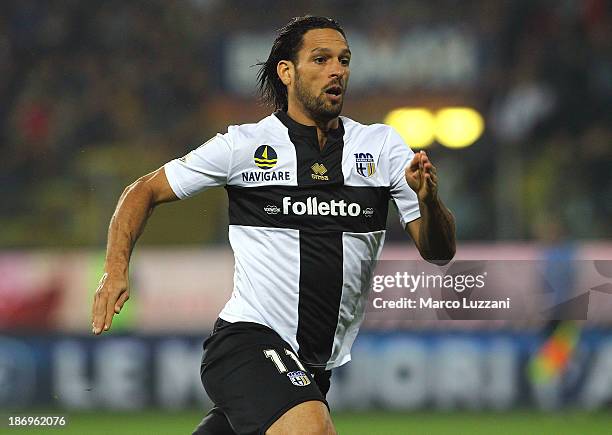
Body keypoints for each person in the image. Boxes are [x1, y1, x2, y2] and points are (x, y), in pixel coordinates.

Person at [91, 15, 455, 435]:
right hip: (248, 343)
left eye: (344, 60)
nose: (337, 70)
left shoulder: (383, 148)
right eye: (321, 59)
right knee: (313, 430)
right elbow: (142, 191)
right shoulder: (245, 146)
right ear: (287, 72)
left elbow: (439, 251)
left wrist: (429, 202)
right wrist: (115, 269)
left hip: (312, 367)